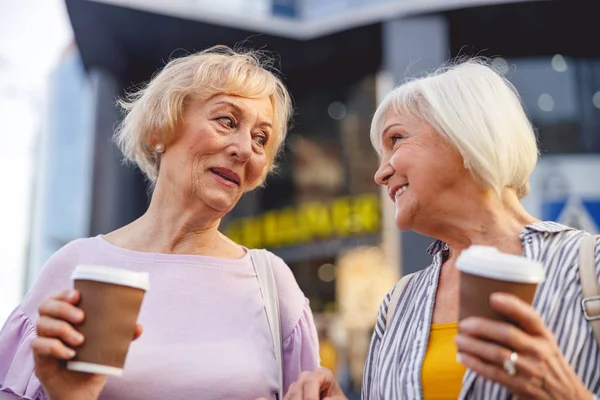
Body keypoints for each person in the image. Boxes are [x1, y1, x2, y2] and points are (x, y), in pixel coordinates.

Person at [0, 45, 320, 400]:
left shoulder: (272, 283)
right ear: (160, 130)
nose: (245, 149)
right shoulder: (78, 266)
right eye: (226, 121)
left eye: (261, 138)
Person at [281, 59, 600, 399]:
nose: (380, 173)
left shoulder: (589, 267)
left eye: (397, 140)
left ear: (465, 136)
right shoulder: (399, 302)